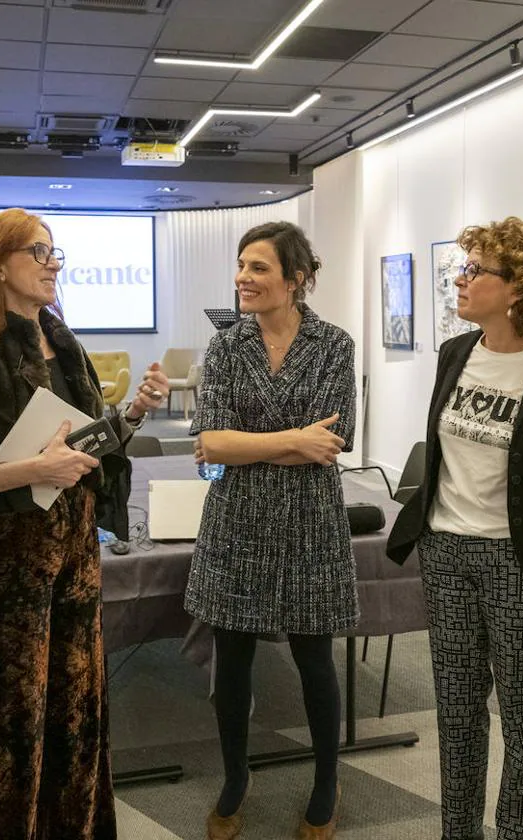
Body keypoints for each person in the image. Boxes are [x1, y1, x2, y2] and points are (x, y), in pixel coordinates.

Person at [0, 208, 167, 840]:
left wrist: (134, 413)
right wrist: (32, 468)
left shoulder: (61, 339)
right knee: (9, 724)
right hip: (4, 564)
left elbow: (84, 442)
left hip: (74, 552)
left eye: (56, 253)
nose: (53, 264)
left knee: (75, 710)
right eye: (39, 252)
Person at [385, 217, 523, 840]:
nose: (460, 280)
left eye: (474, 270)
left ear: (518, 287)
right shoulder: (456, 354)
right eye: (462, 267)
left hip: (520, 562)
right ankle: (461, 831)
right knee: (456, 711)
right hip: (446, 550)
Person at [187, 221, 356, 840]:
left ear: (297, 278)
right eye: (240, 266)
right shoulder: (228, 347)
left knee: (315, 659)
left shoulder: (335, 345)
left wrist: (248, 445)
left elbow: (334, 443)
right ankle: (235, 777)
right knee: (231, 658)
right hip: (236, 522)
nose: (243, 279)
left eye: (258, 268)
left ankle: (326, 783)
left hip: (311, 522)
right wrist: (292, 440)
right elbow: (209, 442)